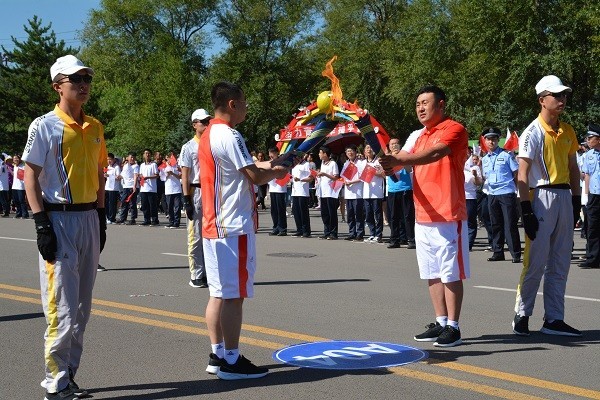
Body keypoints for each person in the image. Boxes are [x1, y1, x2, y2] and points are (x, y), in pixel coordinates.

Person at [22, 54, 107, 400]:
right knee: (62, 308)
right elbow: (30, 175)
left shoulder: (95, 127)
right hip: (58, 219)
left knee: (82, 309)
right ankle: (54, 383)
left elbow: (101, 176)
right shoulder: (43, 125)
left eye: (86, 79)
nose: (84, 85)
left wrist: (101, 218)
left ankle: (68, 376)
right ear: (58, 86)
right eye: (76, 80)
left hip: (88, 218)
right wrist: (41, 223)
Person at [199, 81, 289, 379]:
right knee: (234, 296)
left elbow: (244, 165)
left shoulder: (209, 133)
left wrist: (273, 162)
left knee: (218, 294)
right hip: (233, 226)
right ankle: (232, 361)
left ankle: (217, 354)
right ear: (232, 105)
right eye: (245, 102)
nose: (247, 107)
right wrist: (278, 171)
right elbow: (254, 175)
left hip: (214, 225)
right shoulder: (230, 134)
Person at [380, 85, 470, 347]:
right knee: (431, 271)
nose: (420, 108)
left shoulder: (455, 129)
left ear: (440, 105)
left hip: (448, 212)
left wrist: (400, 161)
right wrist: (388, 163)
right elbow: (401, 159)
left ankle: (454, 326)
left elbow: (434, 154)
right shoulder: (417, 135)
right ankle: (440, 321)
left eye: (425, 102)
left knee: (450, 271)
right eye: (417, 103)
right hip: (423, 213)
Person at [512, 75, 582, 337]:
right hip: (540, 196)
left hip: (564, 197)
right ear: (542, 100)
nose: (562, 99)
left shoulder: (568, 130)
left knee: (560, 262)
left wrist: (576, 202)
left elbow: (573, 168)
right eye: (556, 95)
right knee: (536, 262)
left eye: (564, 95)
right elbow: (522, 173)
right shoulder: (532, 132)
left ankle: (553, 319)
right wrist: (526, 209)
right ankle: (522, 313)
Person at [480, 128, 522, 263]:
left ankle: (515, 253)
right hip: (492, 194)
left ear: (498, 140)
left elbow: (516, 173)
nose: (491, 141)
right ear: (485, 141)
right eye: (488, 139)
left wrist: (518, 191)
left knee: (510, 224)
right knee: (495, 224)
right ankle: (498, 252)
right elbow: (485, 177)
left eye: (493, 139)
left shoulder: (506, 155)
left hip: (506, 193)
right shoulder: (485, 159)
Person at [181, 108, 211, 288]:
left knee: (209, 235)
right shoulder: (188, 147)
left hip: (210, 192)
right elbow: (185, 175)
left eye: (208, 121)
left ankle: (208, 271)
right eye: (202, 122)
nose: (206, 124)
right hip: (195, 191)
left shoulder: (211, 144)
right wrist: (186, 200)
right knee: (196, 235)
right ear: (194, 125)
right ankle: (196, 274)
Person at [386, 138, 416, 249]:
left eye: (396, 144)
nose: (394, 146)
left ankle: (411, 240)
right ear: (389, 146)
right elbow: (384, 173)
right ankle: (394, 240)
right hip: (392, 191)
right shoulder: (387, 158)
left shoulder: (405, 156)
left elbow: (409, 170)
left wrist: (401, 160)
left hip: (405, 189)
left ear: (400, 145)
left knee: (408, 216)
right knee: (393, 217)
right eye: (391, 144)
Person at [579, 125, 600, 269]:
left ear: (598, 139)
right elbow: (587, 175)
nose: (587, 140)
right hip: (594, 195)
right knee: (592, 228)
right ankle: (593, 258)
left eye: (590, 138)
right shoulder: (589, 155)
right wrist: (585, 195)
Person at [340, 144, 366, 241]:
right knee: (350, 214)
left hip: (358, 193)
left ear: (355, 152)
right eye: (348, 151)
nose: (350, 153)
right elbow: (342, 176)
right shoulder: (346, 164)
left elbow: (363, 177)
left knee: (358, 214)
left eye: (351, 151)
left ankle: (360, 233)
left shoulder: (361, 162)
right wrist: (344, 181)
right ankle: (352, 232)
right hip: (348, 193)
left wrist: (351, 182)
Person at [362, 144, 385, 243]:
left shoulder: (378, 161)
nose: (369, 149)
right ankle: (372, 233)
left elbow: (384, 174)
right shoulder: (362, 162)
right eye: (367, 148)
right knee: (368, 214)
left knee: (377, 214)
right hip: (366, 192)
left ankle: (379, 235)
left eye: (371, 147)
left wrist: (373, 172)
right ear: (364, 151)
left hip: (377, 192)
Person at [317, 145, 340, 240]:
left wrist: (325, 174)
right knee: (325, 213)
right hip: (323, 192)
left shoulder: (333, 163)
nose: (319, 154)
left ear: (325, 154)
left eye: (320, 153)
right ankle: (326, 232)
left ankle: (333, 233)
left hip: (331, 192)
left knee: (332, 213)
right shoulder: (322, 163)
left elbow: (336, 177)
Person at [291, 154, 313, 237]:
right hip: (295, 191)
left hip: (303, 192)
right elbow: (292, 177)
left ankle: (306, 230)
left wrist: (300, 179)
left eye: (297, 158)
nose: (296, 160)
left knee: (303, 212)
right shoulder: (294, 166)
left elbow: (310, 178)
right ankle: (299, 229)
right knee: (296, 211)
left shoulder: (306, 164)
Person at [267, 147, 288, 236]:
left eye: (272, 153)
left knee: (280, 209)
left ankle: (282, 228)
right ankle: (275, 227)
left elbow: (285, 173)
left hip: (280, 188)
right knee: (274, 210)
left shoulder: (282, 161)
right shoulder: (269, 162)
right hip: (272, 188)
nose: (270, 156)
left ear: (276, 153)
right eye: (269, 154)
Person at [464, 153, 482, 251]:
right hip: (458, 198)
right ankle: (462, 243)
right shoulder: (457, 166)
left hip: (470, 197)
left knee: (470, 222)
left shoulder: (474, 168)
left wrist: (475, 176)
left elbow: (478, 183)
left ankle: (468, 244)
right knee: (461, 222)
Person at [116, 152, 139, 225]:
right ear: (127, 158)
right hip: (125, 186)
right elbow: (123, 175)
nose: (132, 159)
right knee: (124, 202)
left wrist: (134, 186)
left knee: (132, 203)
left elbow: (135, 176)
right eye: (131, 157)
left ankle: (133, 219)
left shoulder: (136, 166)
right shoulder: (125, 166)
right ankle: (123, 218)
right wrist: (118, 177)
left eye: (133, 157)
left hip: (132, 186)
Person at [138, 149, 160, 226]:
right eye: (146, 153)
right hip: (144, 188)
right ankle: (146, 219)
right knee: (144, 205)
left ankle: (154, 219)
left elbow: (157, 175)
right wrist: (140, 176)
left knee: (152, 205)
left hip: (152, 188)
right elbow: (140, 175)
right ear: (143, 155)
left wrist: (148, 177)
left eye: (148, 153)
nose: (147, 155)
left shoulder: (153, 164)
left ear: (150, 155)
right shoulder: (142, 165)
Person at [164, 150, 182, 228]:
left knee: (177, 206)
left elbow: (180, 176)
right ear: (167, 157)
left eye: (173, 156)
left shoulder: (177, 166)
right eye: (170, 156)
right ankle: (171, 222)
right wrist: (168, 174)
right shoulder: (163, 166)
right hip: (168, 189)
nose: (172, 157)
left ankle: (177, 222)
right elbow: (162, 178)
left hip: (177, 188)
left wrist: (173, 173)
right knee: (170, 206)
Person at [104, 152, 121, 224]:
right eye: (107, 159)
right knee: (107, 203)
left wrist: (110, 176)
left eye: (110, 159)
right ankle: (108, 217)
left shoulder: (116, 167)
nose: (109, 161)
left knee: (112, 204)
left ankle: (112, 218)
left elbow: (119, 177)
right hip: (107, 187)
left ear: (113, 159)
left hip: (114, 188)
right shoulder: (107, 167)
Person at [11, 154, 29, 218]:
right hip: (14, 186)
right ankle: (19, 213)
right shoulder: (14, 166)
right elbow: (15, 175)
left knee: (22, 201)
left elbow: (25, 176)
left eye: (16, 158)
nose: (15, 159)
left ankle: (25, 214)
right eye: (14, 158)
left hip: (21, 187)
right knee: (16, 201)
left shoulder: (23, 166)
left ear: (19, 159)